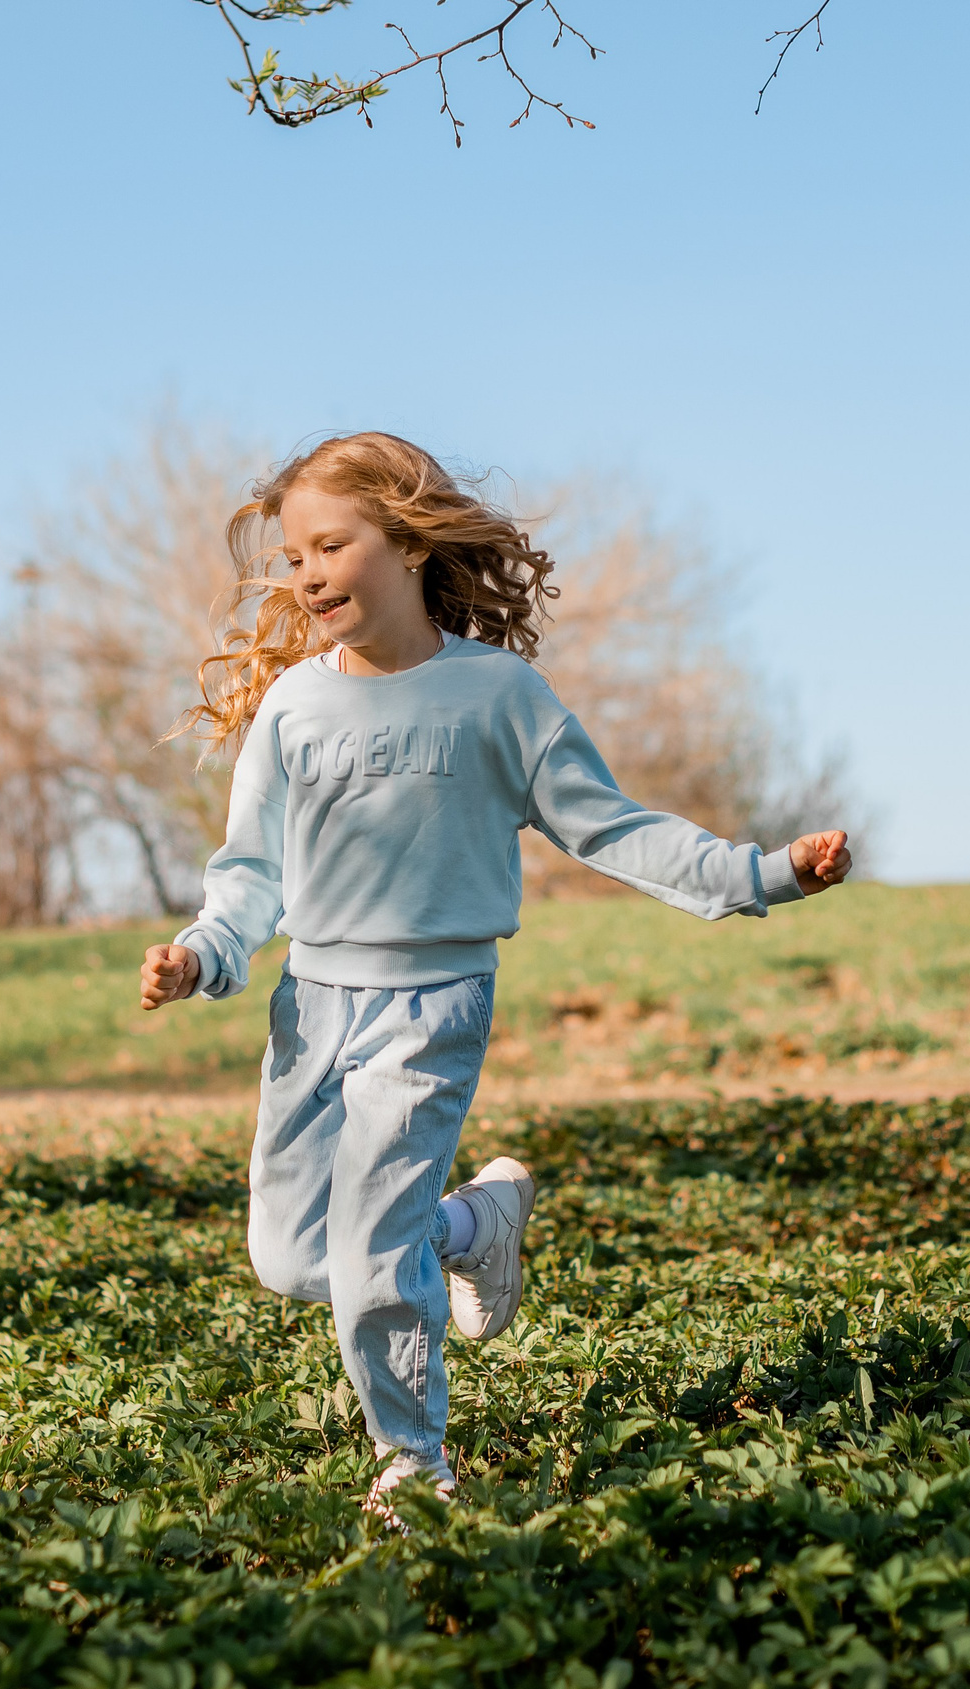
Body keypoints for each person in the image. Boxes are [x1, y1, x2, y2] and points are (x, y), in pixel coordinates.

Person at [136, 432, 853, 1515]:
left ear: (408, 541)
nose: (308, 573)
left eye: (332, 544)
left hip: (431, 1008)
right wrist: (203, 953)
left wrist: (761, 874)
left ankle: (412, 1470)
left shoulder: (496, 696)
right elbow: (249, 877)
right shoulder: (292, 708)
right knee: (291, 1258)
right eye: (293, 556)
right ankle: (473, 1227)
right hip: (310, 1007)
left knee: (373, 1257)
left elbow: (610, 827)